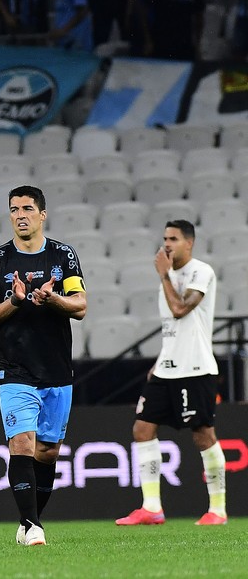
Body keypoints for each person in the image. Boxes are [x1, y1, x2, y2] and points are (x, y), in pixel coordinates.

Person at [0, 185, 87, 547]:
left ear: (42, 214)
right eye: (13, 209)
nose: (20, 214)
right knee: (22, 444)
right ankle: (33, 526)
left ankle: (28, 523)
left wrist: (52, 298)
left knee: (48, 451)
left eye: (27, 208)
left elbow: (80, 306)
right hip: (15, 370)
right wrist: (15, 301)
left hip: (56, 368)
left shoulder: (63, 255)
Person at [116, 220, 227, 527]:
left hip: (196, 368)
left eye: (174, 239)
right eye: (165, 238)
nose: (167, 244)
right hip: (168, 368)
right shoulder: (167, 278)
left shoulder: (200, 272)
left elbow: (181, 310)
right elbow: (172, 329)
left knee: (203, 435)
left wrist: (164, 275)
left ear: (189, 243)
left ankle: (217, 509)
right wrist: (159, 363)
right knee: (142, 429)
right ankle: (151, 507)